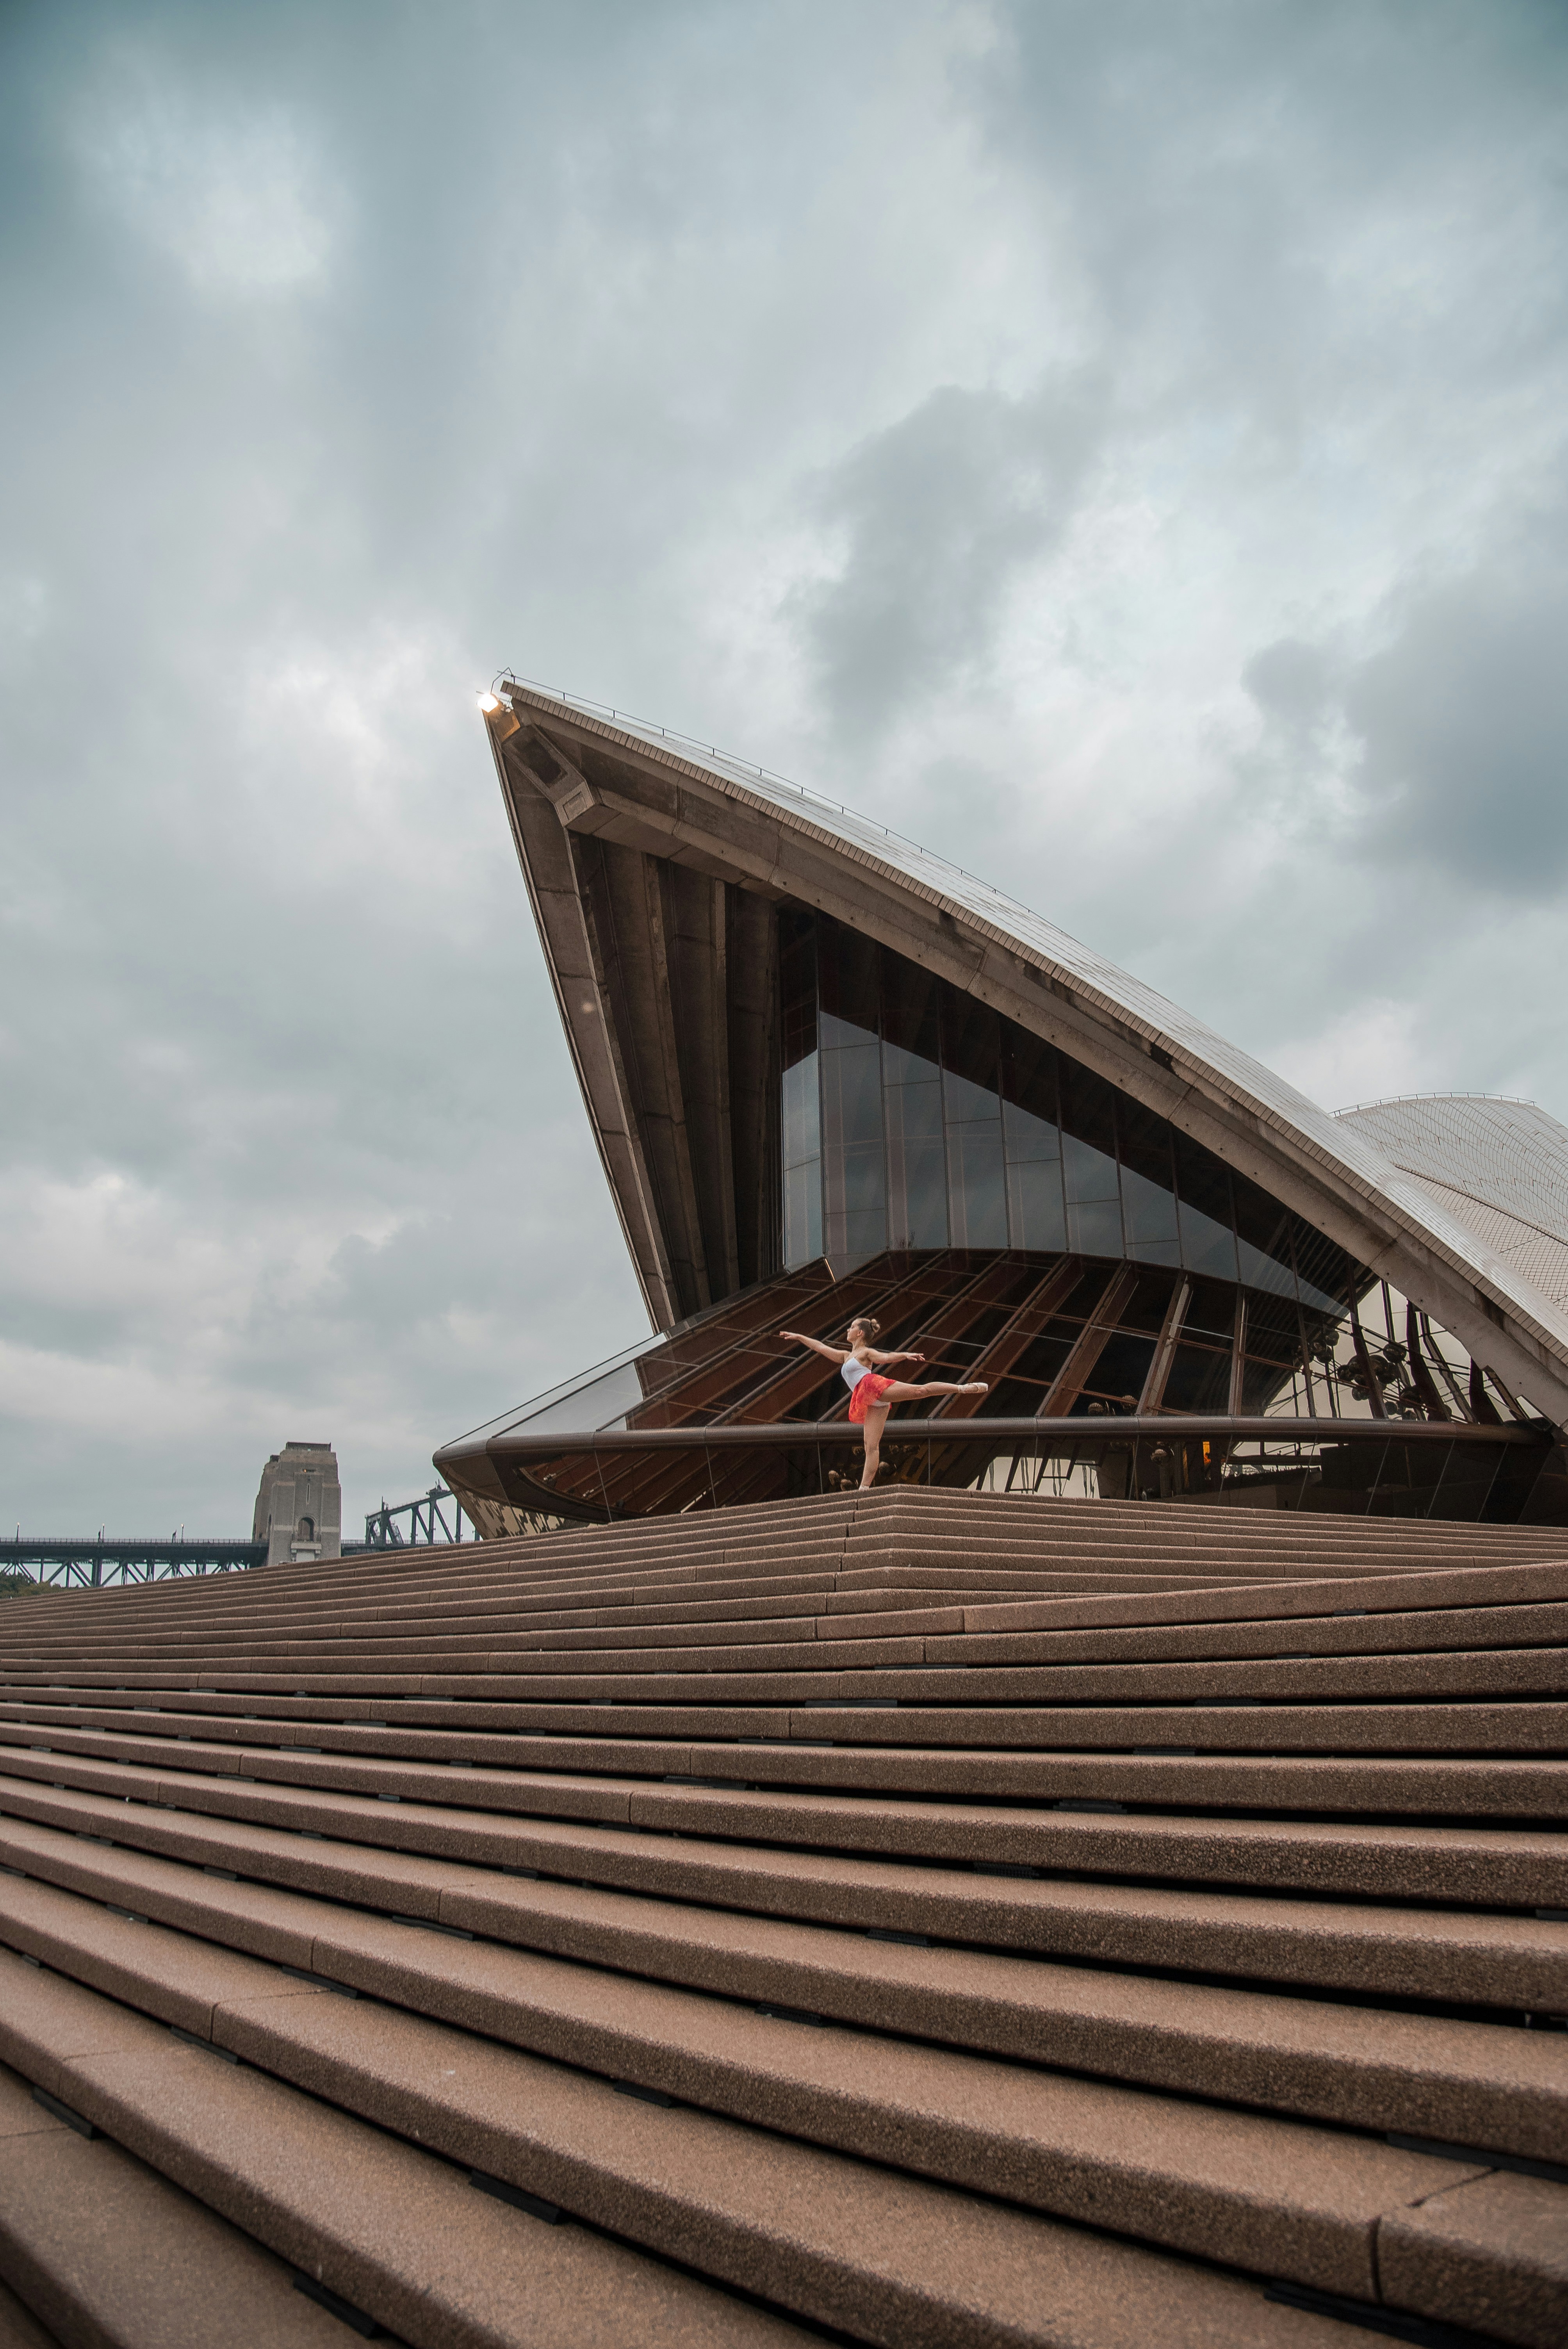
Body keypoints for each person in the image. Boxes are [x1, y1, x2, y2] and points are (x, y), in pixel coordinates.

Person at [778, 1317, 988, 1490]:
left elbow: (885, 1358)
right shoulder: (845, 1355)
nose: (848, 1330)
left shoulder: (865, 1353)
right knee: (871, 1447)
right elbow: (821, 1347)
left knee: (920, 1390)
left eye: (852, 1327)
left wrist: (904, 1355)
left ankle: (962, 1388)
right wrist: (798, 1337)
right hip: (870, 1401)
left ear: (860, 1333)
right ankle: (864, 1490)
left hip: (873, 1387)